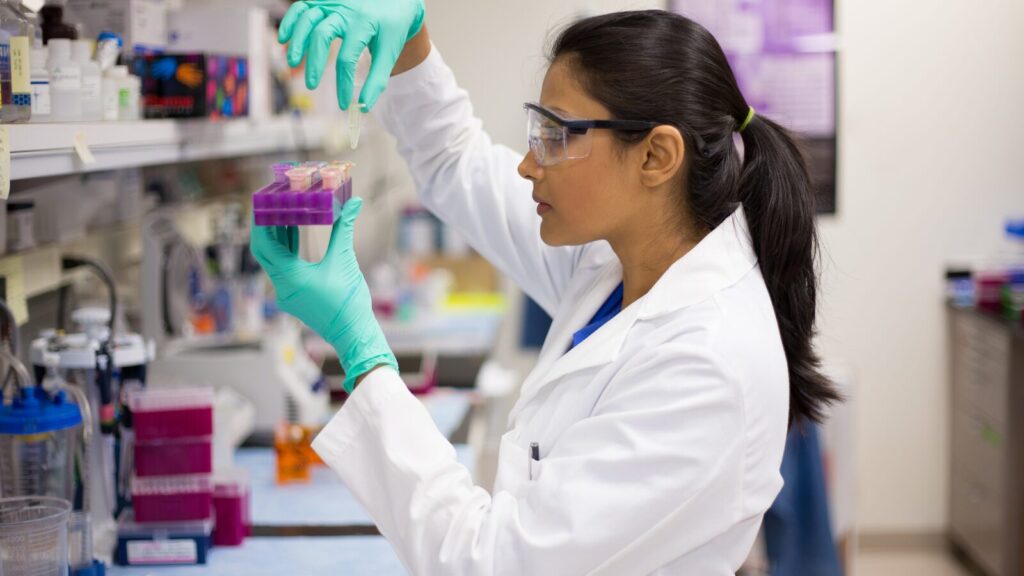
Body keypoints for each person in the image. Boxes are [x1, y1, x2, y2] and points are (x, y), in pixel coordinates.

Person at [250, 3, 840, 574]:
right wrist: (412, 40)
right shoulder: (620, 265)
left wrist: (362, 352)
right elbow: (455, 161)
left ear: (657, 155)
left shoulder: (707, 363)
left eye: (556, 135)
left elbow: (491, 564)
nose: (530, 164)